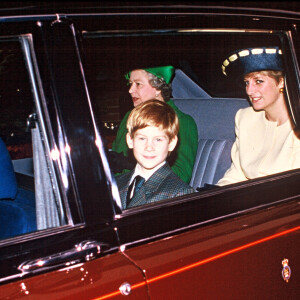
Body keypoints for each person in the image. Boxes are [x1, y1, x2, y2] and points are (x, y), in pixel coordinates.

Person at [217, 46, 300, 186]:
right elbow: (236, 175)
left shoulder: (297, 124)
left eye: (258, 81)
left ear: (281, 82)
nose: (249, 90)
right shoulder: (245, 118)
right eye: (246, 83)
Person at [111, 65, 198, 184]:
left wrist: (136, 169)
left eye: (138, 84)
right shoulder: (129, 117)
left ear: (158, 87)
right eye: (130, 84)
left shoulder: (183, 121)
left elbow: (181, 176)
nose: (130, 90)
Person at [116, 99, 195, 209]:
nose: (149, 147)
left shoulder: (179, 193)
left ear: (171, 143)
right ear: (130, 140)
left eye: (158, 140)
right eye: (142, 138)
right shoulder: (115, 184)